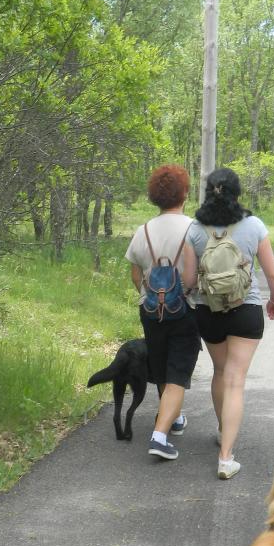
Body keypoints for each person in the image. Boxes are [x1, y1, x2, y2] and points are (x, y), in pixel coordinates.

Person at [187, 168, 274, 480]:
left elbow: (189, 279)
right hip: (246, 309)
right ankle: (226, 457)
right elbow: (272, 274)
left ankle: (221, 429)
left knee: (219, 372)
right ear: (237, 192)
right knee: (235, 380)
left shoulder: (195, 229)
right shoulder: (253, 225)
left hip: (207, 310)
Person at [125, 165, 200, 462]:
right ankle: (159, 436)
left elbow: (134, 275)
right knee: (178, 373)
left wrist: (150, 296)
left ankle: (174, 418)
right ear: (184, 193)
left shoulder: (142, 231)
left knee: (161, 365)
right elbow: (197, 275)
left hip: (150, 309)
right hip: (185, 308)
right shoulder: (194, 229)